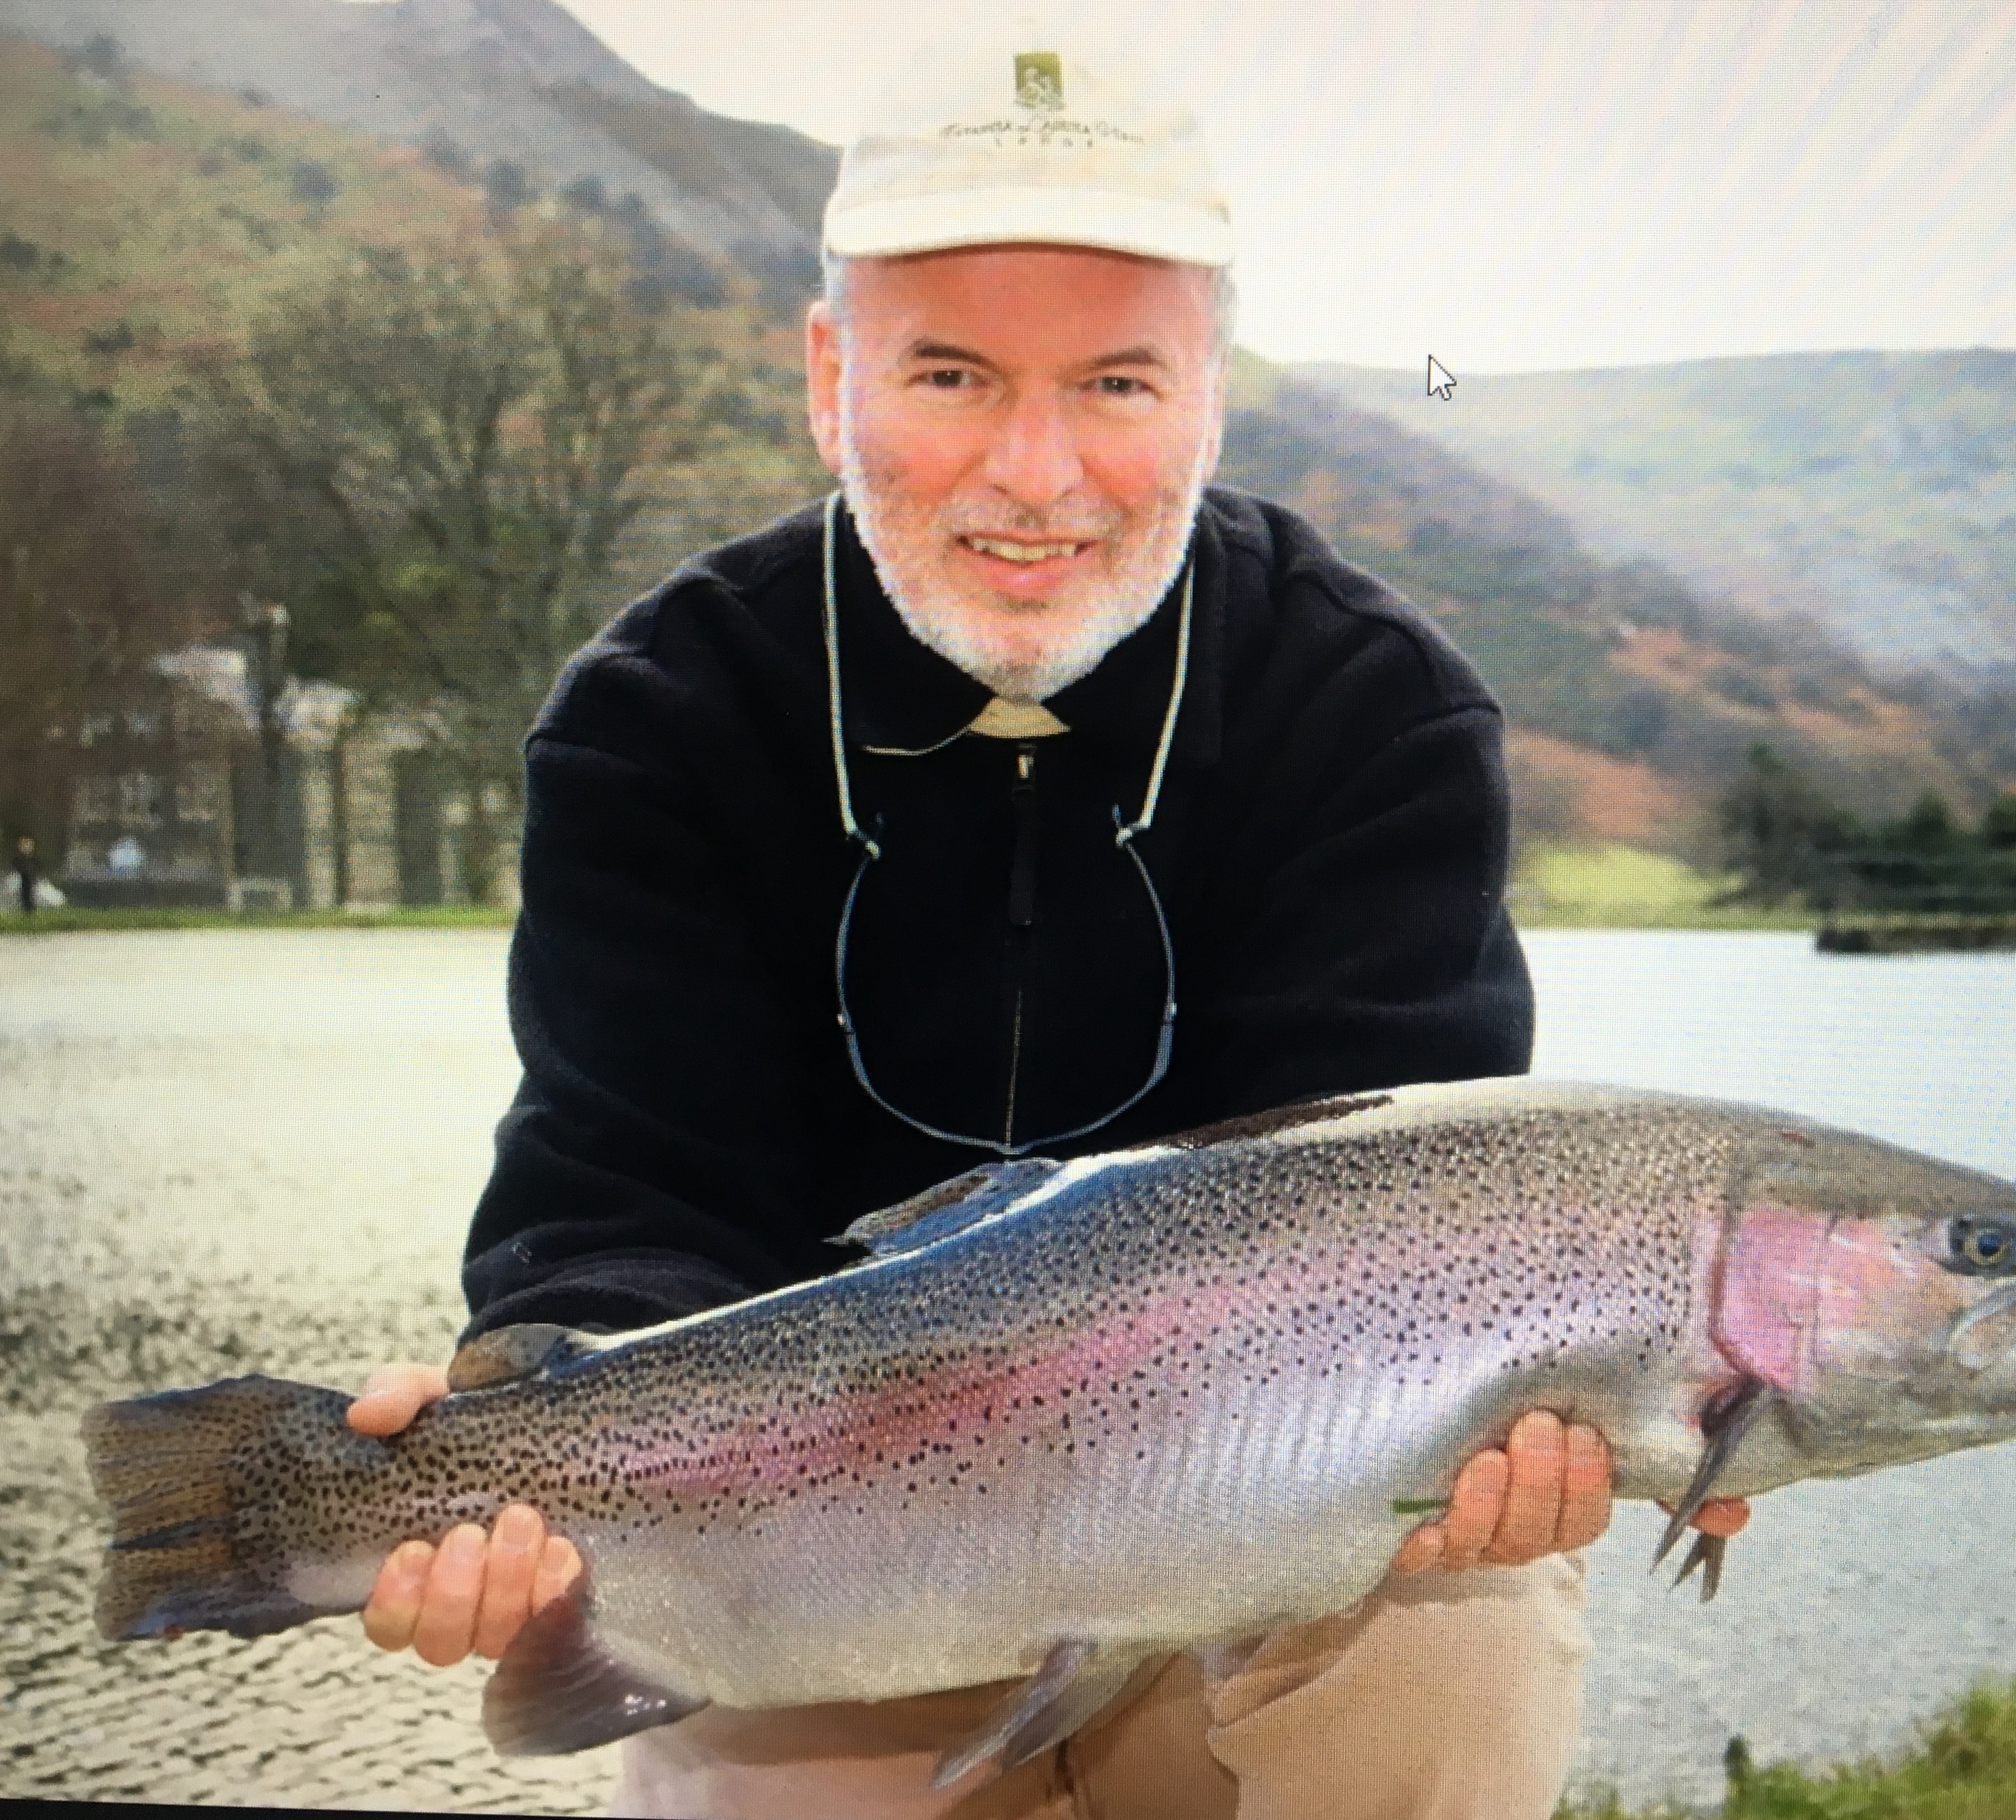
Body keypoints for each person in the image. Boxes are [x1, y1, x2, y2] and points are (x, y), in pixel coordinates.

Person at [345, 27, 1746, 1819]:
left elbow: (1408, 1193)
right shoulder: (657, 714)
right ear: (824, 374)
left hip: (1288, 1516)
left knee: (1448, 1635)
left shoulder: (1376, 711)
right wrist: (521, 1436)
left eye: (1115, 385)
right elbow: (622, 1193)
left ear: (1212, 391)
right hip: (820, 1511)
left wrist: (1552, 1427)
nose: (1035, 473)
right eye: (947, 376)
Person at [11, 835, 35, 914]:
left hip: (27, 880)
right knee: (23, 894)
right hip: (22, 880)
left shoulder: (30, 860)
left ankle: (28, 908)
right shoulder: (19, 859)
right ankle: (25, 908)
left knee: (28, 894)